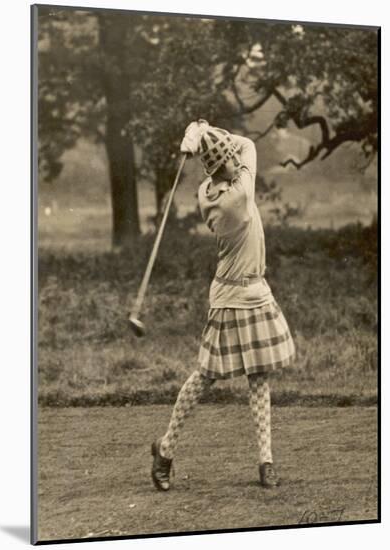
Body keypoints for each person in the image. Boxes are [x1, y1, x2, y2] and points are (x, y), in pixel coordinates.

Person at [151, 120, 296, 491]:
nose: (235, 160)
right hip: (232, 298)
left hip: (254, 291)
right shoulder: (239, 197)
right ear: (226, 162)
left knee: (259, 376)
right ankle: (165, 449)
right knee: (205, 376)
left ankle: (266, 461)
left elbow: (229, 156)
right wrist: (208, 128)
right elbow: (247, 143)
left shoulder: (205, 190)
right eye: (229, 158)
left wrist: (200, 134)